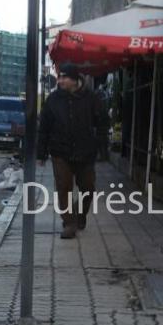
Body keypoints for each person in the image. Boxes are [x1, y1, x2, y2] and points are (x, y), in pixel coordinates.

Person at [36, 63, 108, 239]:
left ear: (75, 80)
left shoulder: (91, 98)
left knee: (88, 188)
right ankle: (68, 223)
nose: (59, 81)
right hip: (60, 151)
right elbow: (44, 127)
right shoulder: (53, 99)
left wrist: (99, 146)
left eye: (64, 77)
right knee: (63, 187)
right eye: (59, 77)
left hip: (86, 151)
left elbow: (103, 123)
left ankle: (80, 214)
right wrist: (41, 153)